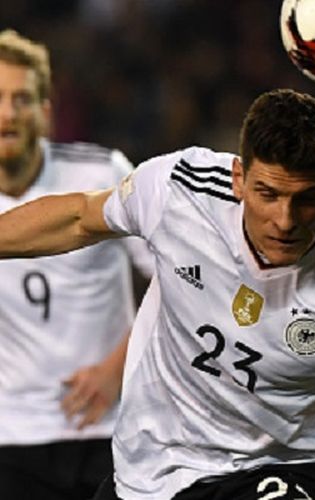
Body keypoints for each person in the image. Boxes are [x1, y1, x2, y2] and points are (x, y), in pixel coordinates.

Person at [0, 87, 315, 499]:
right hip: (153, 468)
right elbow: (79, 218)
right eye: (268, 194)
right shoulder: (180, 192)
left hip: (284, 465)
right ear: (238, 178)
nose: (285, 220)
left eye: (306, 199)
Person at [0, 29, 153, 500]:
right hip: (11, 436)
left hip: (114, 427)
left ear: (46, 112)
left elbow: (180, 276)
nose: (8, 113)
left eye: (22, 99)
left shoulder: (100, 175)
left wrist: (116, 367)